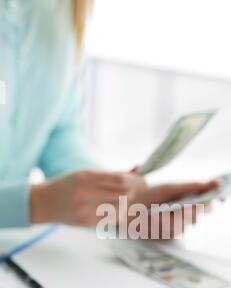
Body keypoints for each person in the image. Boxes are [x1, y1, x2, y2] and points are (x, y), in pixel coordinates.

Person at [0, 0, 216, 235]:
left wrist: (117, 201)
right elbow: (35, 202)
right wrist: (33, 204)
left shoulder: (60, 8)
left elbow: (57, 129)